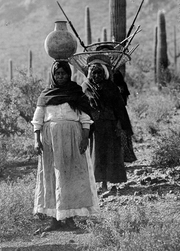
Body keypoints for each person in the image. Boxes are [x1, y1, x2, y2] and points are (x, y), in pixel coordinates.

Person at [32, 60, 99, 233]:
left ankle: (69, 218)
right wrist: (36, 140)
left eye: (64, 73)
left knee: (71, 176)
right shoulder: (45, 95)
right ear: (53, 75)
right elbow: (38, 120)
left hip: (73, 139)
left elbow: (85, 119)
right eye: (57, 73)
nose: (60, 76)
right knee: (52, 177)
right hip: (50, 142)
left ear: (69, 75)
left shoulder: (76, 94)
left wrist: (84, 138)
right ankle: (54, 219)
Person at [86, 57, 134, 192]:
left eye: (99, 72)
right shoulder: (86, 87)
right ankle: (96, 182)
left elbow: (119, 108)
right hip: (93, 127)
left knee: (108, 153)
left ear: (104, 73)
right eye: (94, 73)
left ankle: (105, 183)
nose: (97, 75)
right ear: (90, 74)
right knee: (95, 153)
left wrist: (120, 124)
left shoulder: (111, 87)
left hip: (110, 125)